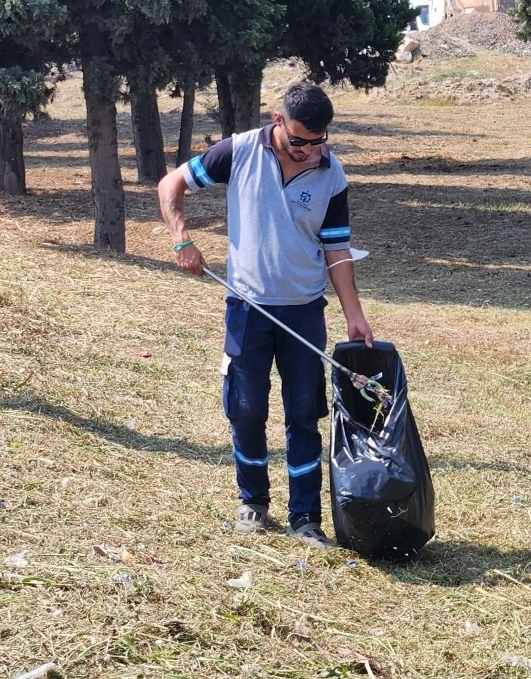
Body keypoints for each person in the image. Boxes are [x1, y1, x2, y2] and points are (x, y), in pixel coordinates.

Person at [157, 80, 373, 548]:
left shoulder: (331, 172)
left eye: (318, 141)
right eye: (299, 140)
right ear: (278, 122)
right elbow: (170, 184)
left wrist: (354, 314)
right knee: (246, 409)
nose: (308, 150)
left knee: (304, 412)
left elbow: (336, 249)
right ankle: (253, 502)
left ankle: (305, 517)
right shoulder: (237, 152)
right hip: (247, 308)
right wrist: (180, 238)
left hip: (304, 312)